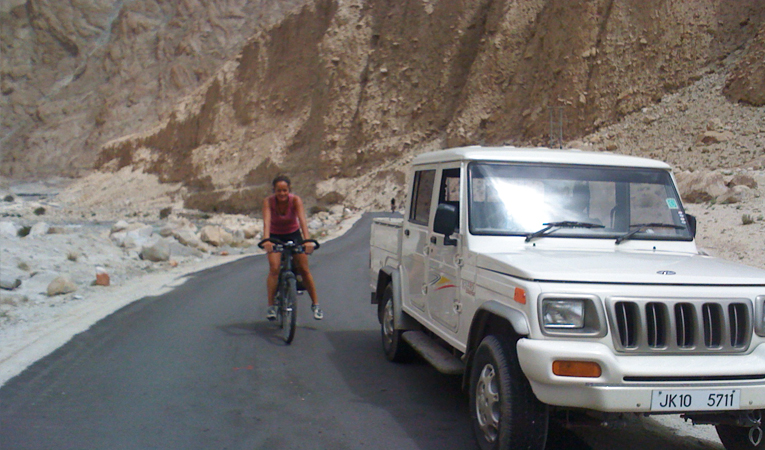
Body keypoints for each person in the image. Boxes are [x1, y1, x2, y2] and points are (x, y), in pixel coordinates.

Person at [262, 175, 323, 320]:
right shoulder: (268, 202)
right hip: (275, 235)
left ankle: (316, 305)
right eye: (278, 190)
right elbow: (266, 222)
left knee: (304, 269)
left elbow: (302, 220)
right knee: (274, 268)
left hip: (293, 234)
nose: (282, 193)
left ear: (289, 190)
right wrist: (266, 241)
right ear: (274, 190)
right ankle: (271, 307)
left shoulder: (295, 200)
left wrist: (307, 241)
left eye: (285, 190)